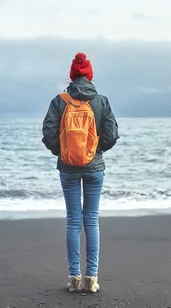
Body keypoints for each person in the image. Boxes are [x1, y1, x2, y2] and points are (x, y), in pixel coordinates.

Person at [42, 52, 119, 293]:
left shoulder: (59, 100)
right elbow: (112, 135)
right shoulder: (102, 101)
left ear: (72, 76)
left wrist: (64, 152)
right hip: (95, 168)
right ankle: (92, 278)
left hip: (68, 168)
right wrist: (95, 150)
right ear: (90, 76)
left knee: (73, 220)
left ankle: (74, 277)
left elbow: (48, 134)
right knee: (91, 220)